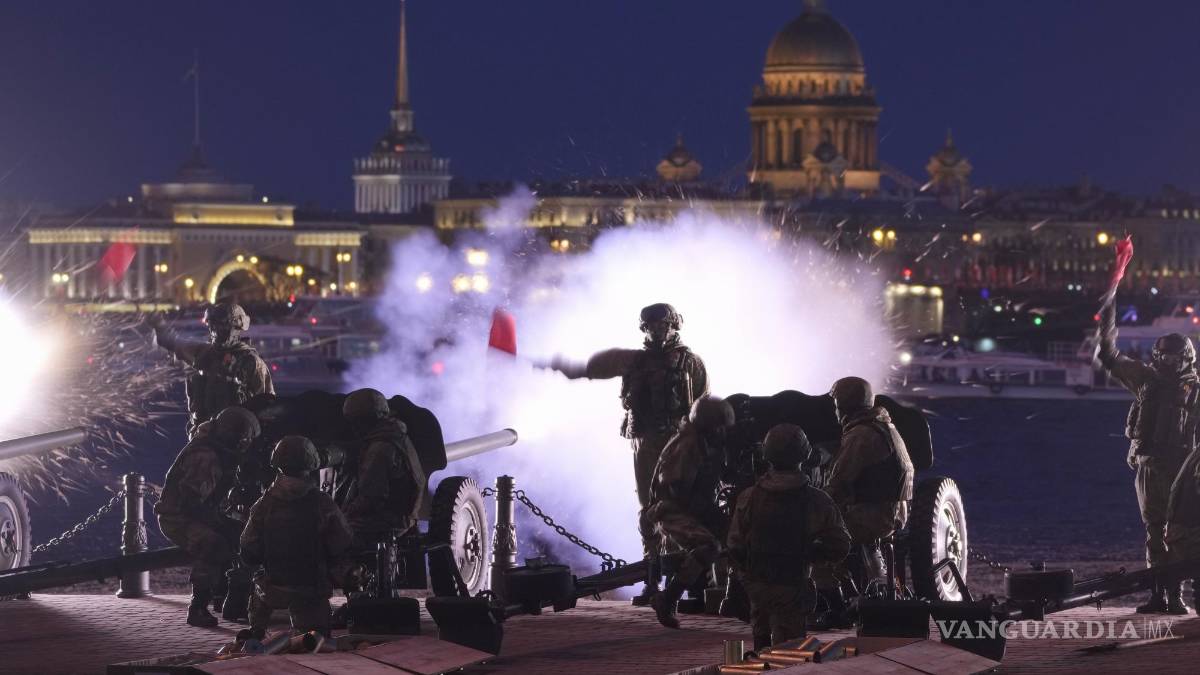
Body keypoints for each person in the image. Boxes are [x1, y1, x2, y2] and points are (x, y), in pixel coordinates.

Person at [545, 303, 708, 604]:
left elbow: (703, 405)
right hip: (644, 442)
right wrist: (560, 366)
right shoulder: (634, 361)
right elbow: (594, 368)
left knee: (677, 507)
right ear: (644, 328)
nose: (658, 331)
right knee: (648, 508)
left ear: (674, 326)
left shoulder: (690, 363)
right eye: (652, 326)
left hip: (678, 441)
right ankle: (653, 577)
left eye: (663, 325)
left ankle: (680, 578)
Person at [1098, 302, 1199, 614]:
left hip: (1184, 470)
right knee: (1154, 532)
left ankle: (1178, 596)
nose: (1169, 361)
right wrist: (1107, 315)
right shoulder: (1145, 379)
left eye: (1174, 356)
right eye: (1164, 356)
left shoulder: (1196, 390)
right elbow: (1109, 356)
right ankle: (1159, 595)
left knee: (1184, 534)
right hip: (1149, 466)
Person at [728, 424, 851, 650]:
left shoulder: (749, 497)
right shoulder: (817, 500)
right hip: (792, 587)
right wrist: (813, 554)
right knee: (790, 654)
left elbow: (735, 547)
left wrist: (743, 581)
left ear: (767, 455)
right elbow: (841, 544)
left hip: (757, 587)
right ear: (804, 455)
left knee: (760, 648)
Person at [155, 406, 261, 627]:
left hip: (197, 512)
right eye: (243, 438)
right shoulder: (205, 456)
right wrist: (221, 524)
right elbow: (191, 503)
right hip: (178, 518)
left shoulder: (218, 450)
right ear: (232, 434)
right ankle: (198, 607)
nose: (244, 443)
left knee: (244, 535)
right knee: (213, 544)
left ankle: (229, 598)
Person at [820, 377, 913, 626]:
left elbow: (838, 484)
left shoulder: (861, 436)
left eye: (837, 404)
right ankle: (862, 596)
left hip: (871, 516)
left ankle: (841, 607)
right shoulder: (885, 427)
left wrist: (812, 506)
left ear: (844, 405)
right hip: (889, 513)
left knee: (815, 544)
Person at [240, 436, 353, 639]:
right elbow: (342, 543)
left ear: (277, 463)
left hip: (274, 589)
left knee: (258, 583)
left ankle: (257, 630)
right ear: (312, 463)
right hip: (311, 591)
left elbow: (249, 550)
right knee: (316, 642)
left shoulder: (263, 505)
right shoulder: (323, 503)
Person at [645, 395, 733, 629]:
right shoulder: (687, 445)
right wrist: (712, 515)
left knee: (733, 537)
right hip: (670, 510)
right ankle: (668, 599)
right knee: (708, 546)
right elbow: (678, 491)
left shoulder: (703, 442)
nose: (722, 432)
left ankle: (729, 594)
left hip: (688, 507)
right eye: (719, 427)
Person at [147, 302, 274, 437]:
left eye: (222, 327)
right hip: (202, 434)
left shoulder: (251, 362)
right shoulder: (204, 353)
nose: (216, 331)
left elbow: (266, 408)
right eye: (213, 326)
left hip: (235, 439)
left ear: (236, 328)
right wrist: (159, 324)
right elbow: (173, 343)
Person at [336, 388, 426, 546]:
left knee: (332, 532)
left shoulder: (379, 449)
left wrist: (341, 513)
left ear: (366, 420)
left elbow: (371, 498)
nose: (354, 428)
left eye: (356, 421)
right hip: (404, 514)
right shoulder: (396, 434)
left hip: (390, 521)